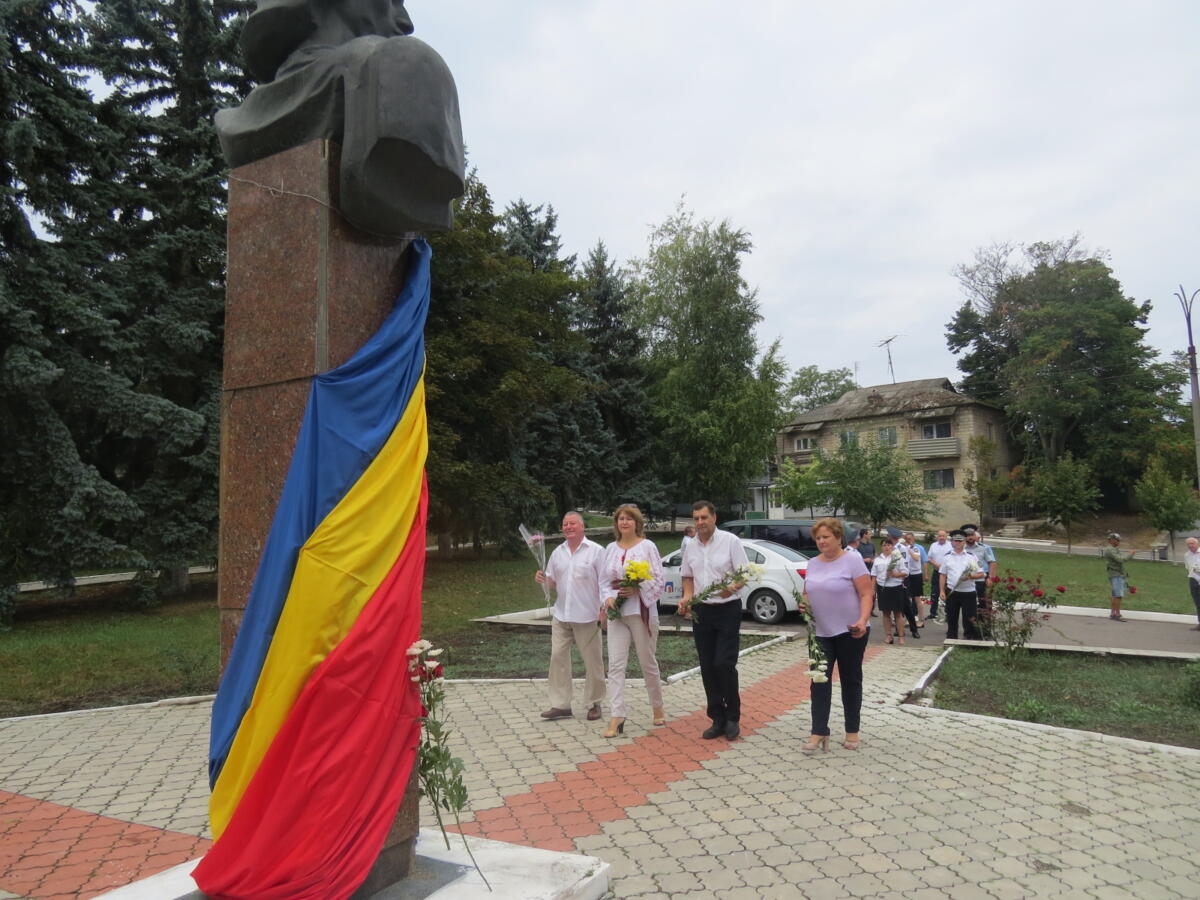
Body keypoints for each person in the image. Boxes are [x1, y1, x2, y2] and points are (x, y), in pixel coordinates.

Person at [799, 518, 873, 752]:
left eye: (826, 537)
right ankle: (819, 731)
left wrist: (862, 620)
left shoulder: (852, 560)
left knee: (851, 680)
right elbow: (807, 592)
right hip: (820, 632)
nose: (821, 541)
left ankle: (852, 730)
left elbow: (866, 594)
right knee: (819, 680)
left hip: (850, 630)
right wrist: (804, 604)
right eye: (818, 538)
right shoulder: (812, 563)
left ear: (838, 537)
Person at [679, 500, 750, 740]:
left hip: (728, 609)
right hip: (702, 611)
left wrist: (733, 587)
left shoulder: (730, 541)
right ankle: (717, 718)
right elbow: (687, 576)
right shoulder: (691, 546)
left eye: (704, 517)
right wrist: (687, 597)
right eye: (696, 518)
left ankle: (732, 717)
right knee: (708, 666)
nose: (700, 522)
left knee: (724, 664)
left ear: (714, 518)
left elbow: (744, 573)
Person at [601, 505, 666, 736]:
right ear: (616, 523)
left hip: (640, 612)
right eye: (621, 519)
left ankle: (657, 706)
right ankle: (617, 715)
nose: (624, 522)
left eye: (629, 519)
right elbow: (603, 580)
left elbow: (659, 579)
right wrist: (608, 598)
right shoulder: (610, 548)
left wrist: (638, 588)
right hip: (617, 614)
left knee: (647, 662)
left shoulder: (647, 546)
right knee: (615, 665)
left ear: (637, 523)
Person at [535, 511, 606, 720]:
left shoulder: (596, 551)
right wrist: (542, 579)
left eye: (572, 523)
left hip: (588, 616)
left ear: (582, 526)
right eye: (565, 524)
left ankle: (594, 702)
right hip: (562, 615)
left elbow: (605, 583)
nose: (568, 527)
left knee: (592, 661)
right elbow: (553, 582)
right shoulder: (558, 552)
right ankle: (561, 704)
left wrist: (604, 610)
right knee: (557, 657)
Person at [939, 530, 985, 639]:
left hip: (968, 592)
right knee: (951, 618)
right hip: (952, 592)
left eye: (960, 541)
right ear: (952, 542)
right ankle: (951, 639)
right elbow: (943, 575)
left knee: (969, 619)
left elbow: (981, 574)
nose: (958, 543)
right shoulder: (947, 557)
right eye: (956, 541)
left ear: (964, 542)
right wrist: (942, 591)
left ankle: (968, 640)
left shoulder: (971, 557)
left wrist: (970, 577)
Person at [871, 536, 909, 645]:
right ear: (881, 547)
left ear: (892, 546)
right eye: (884, 545)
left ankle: (901, 636)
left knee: (898, 613)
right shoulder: (877, 559)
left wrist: (896, 575)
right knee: (886, 613)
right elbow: (873, 575)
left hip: (895, 587)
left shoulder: (897, 558)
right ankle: (888, 636)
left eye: (888, 545)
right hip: (883, 588)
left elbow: (906, 572)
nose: (886, 547)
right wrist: (873, 589)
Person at [964, 527, 997, 633]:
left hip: (981, 580)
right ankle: (970, 630)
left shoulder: (983, 548)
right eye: (967, 536)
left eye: (971, 535)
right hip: (967, 581)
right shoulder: (962, 549)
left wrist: (990, 578)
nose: (970, 537)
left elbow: (992, 562)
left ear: (975, 536)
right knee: (969, 606)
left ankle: (986, 630)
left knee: (984, 605)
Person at [1101, 533, 1138, 622]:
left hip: (1117, 574)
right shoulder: (1110, 550)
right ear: (1111, 540)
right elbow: (1121, 560)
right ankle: (1117, 615)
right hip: (1116, 575)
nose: (1119, 541)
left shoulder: (1114, 549)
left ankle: (1113, 614)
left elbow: (1119, 561)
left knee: (1115, 595)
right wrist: (1131, 554)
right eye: (1117, 540)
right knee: (1118, 596)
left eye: (1119, 540)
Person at [926, 530, 951, 621]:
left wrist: (944, 566)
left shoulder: (951, 545)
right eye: (940, 536)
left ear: (946, 536)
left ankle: (948, 614)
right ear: (937, 537)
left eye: (943, 536)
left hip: (948, 573)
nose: (941, 537)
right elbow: (929, 558)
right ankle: (933, 613)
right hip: (937, 572)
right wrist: (936, 564)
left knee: (948, 593)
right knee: (934, 592)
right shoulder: (933, 545)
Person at [1185, 537, 1200, 631]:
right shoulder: (1187, 555)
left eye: (1192, 543)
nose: (1190, 545)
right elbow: (1188, 567)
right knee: (1198, 603)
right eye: (1188, 544)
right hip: (1193, 580)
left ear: (1197, 544)